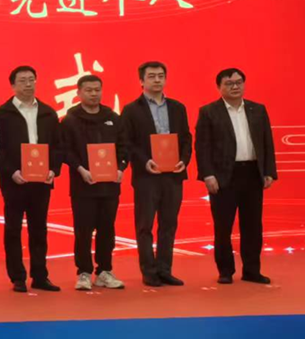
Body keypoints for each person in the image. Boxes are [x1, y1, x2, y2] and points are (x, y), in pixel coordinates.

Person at [196, 68, 277, 285]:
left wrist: (269, 171)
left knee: (253, 226)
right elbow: (202, 147)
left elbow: (267, 142)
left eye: (239, 82)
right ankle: (225, 271)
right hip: (223, 176)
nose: (235, 86)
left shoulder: (257, 109)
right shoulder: (209, 112)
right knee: (223, 227)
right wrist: (207, 175)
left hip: (252, 174)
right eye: (229, 83)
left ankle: (251, 270)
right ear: (219, 87)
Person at [121, 61, 192, 288]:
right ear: (141, 81)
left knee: (169, 224)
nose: (157, 80)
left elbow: (186, 138)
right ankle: (149, 271)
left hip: (173, 175)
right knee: (145, 226)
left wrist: (183, 160)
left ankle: (165, 269)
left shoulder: (178, 107)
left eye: (161, 75)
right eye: (151, 76)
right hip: (147, 176)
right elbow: (127, 143)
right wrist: (145, 161)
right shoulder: (131, 110)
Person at [0, 66, 62, 294]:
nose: (28, 84)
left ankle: (40, 276)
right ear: (13, 85)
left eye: (32, 80)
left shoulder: (48, 113)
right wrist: (11, 171)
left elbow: (58, 146)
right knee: (13, 229)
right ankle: (17, 277)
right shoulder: (1, 114)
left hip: (41, 181)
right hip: (14, 180)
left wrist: (53, 169)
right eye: (22, 81)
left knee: (39, 229)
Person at [61, 75, 129, 292]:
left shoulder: (113, 118)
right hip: (83, 185)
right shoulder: (70, 120)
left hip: (109, 185)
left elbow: (124, 147)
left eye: (97, 90)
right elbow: (65, 150)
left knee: (107, 229)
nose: (93, 94)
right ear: (79, 93)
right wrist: (81, 170)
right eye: (88, 90)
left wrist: (120, 168)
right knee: (83, 230)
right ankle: (83, 272)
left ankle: (104, 271)